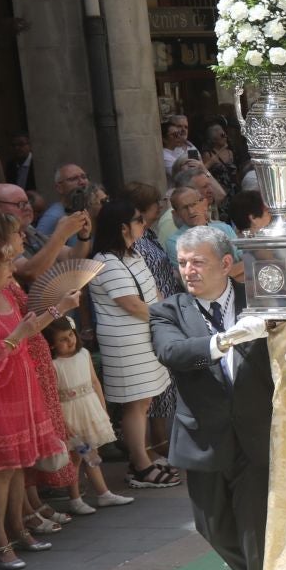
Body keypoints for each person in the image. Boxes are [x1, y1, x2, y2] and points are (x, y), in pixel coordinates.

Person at [148, 226, 275, 570]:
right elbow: (173, 354)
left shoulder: (259, 300)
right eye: (182, 263)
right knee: (213, 529)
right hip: (202, 438)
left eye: (197, 261)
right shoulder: (166, 311)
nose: (188, 271)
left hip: (256, 437)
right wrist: (224, 341)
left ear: (225, 263)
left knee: (254, 532)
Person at [0, 214, 83, 570]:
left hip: (20, 386)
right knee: (2, 471)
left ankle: (17, 528)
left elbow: (27, 329)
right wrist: (17, 337)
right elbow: (14, 339)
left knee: (18, 467)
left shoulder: (6, 290)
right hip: (1, 394)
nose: (21, 240)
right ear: (1, 247)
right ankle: (1, 542)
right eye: (16, 235)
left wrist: (61, 308)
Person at [90, 199, 178, 490]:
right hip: (126, 342)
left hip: (143, 337)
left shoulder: (132, 254)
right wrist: (163, 318)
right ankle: (141, 467)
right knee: (135, 404)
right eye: (139, 219)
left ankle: (141, 459)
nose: (144, 223)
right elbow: (130, 303)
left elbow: (151, 292)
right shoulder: (106, 260)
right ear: (123, 227)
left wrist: (164, 314)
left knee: (144, 400)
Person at [43, 317, 131, 515]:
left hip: (89, 408)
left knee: (92, 454)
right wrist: (64, 424)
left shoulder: (84, 354)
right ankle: (75, 498)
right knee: (76, 458)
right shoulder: (54, 365)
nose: (70, 341)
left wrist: (102, 408)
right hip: (71, 414)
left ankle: (103, 493)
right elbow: (54, 398)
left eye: (71, 335)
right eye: (62, 339)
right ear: (51, 344)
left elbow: (95, 382)